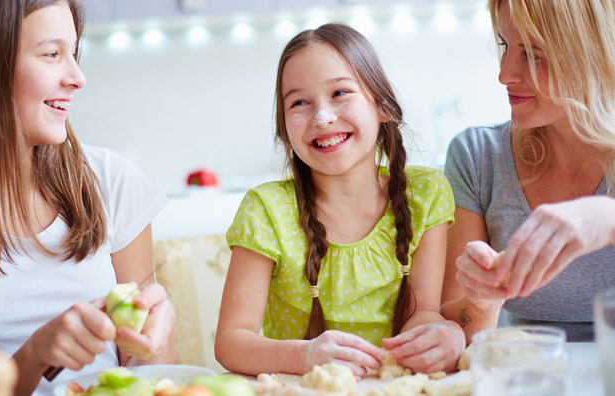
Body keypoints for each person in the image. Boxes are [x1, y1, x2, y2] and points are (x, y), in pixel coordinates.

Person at [0, 1, 176, 395]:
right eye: (52, 54)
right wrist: (34, 357)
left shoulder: (111, 182)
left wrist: (153, 339)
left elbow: (155, 378)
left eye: (74, 53)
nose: (78, 77)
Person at [215, 23, 465, 377]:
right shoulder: (266, 210)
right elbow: (231, 341)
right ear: (284, 129)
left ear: (383, 106)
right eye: (299, 102)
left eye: (340, 93)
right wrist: (302, 357)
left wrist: (436, 333)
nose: (322, 116)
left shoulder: (424, 194)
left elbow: (422, 312)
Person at [441, 0, 615, 342]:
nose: (504, 74)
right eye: (505, 46)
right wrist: (482, 300)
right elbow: (459, 329)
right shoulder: (478, 158)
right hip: (533, 376)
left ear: (590, 51)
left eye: (533, 54)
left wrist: (607, 219)